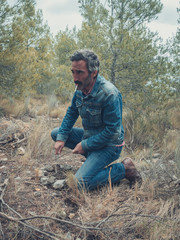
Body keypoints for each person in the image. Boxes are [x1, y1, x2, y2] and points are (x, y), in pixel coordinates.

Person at [51, 49, 141, 190]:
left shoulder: (109, 94)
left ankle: (124, 169)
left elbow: (113, 132)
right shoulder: (80, 87)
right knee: (56, 133)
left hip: (109, 145)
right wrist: (61, 138)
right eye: (73, 72)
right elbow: (72, 112)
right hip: (90, 137)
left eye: (80, 72)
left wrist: (85, 145)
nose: (75, 77)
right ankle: (93, 159)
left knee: (79, 185)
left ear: (94, 73)